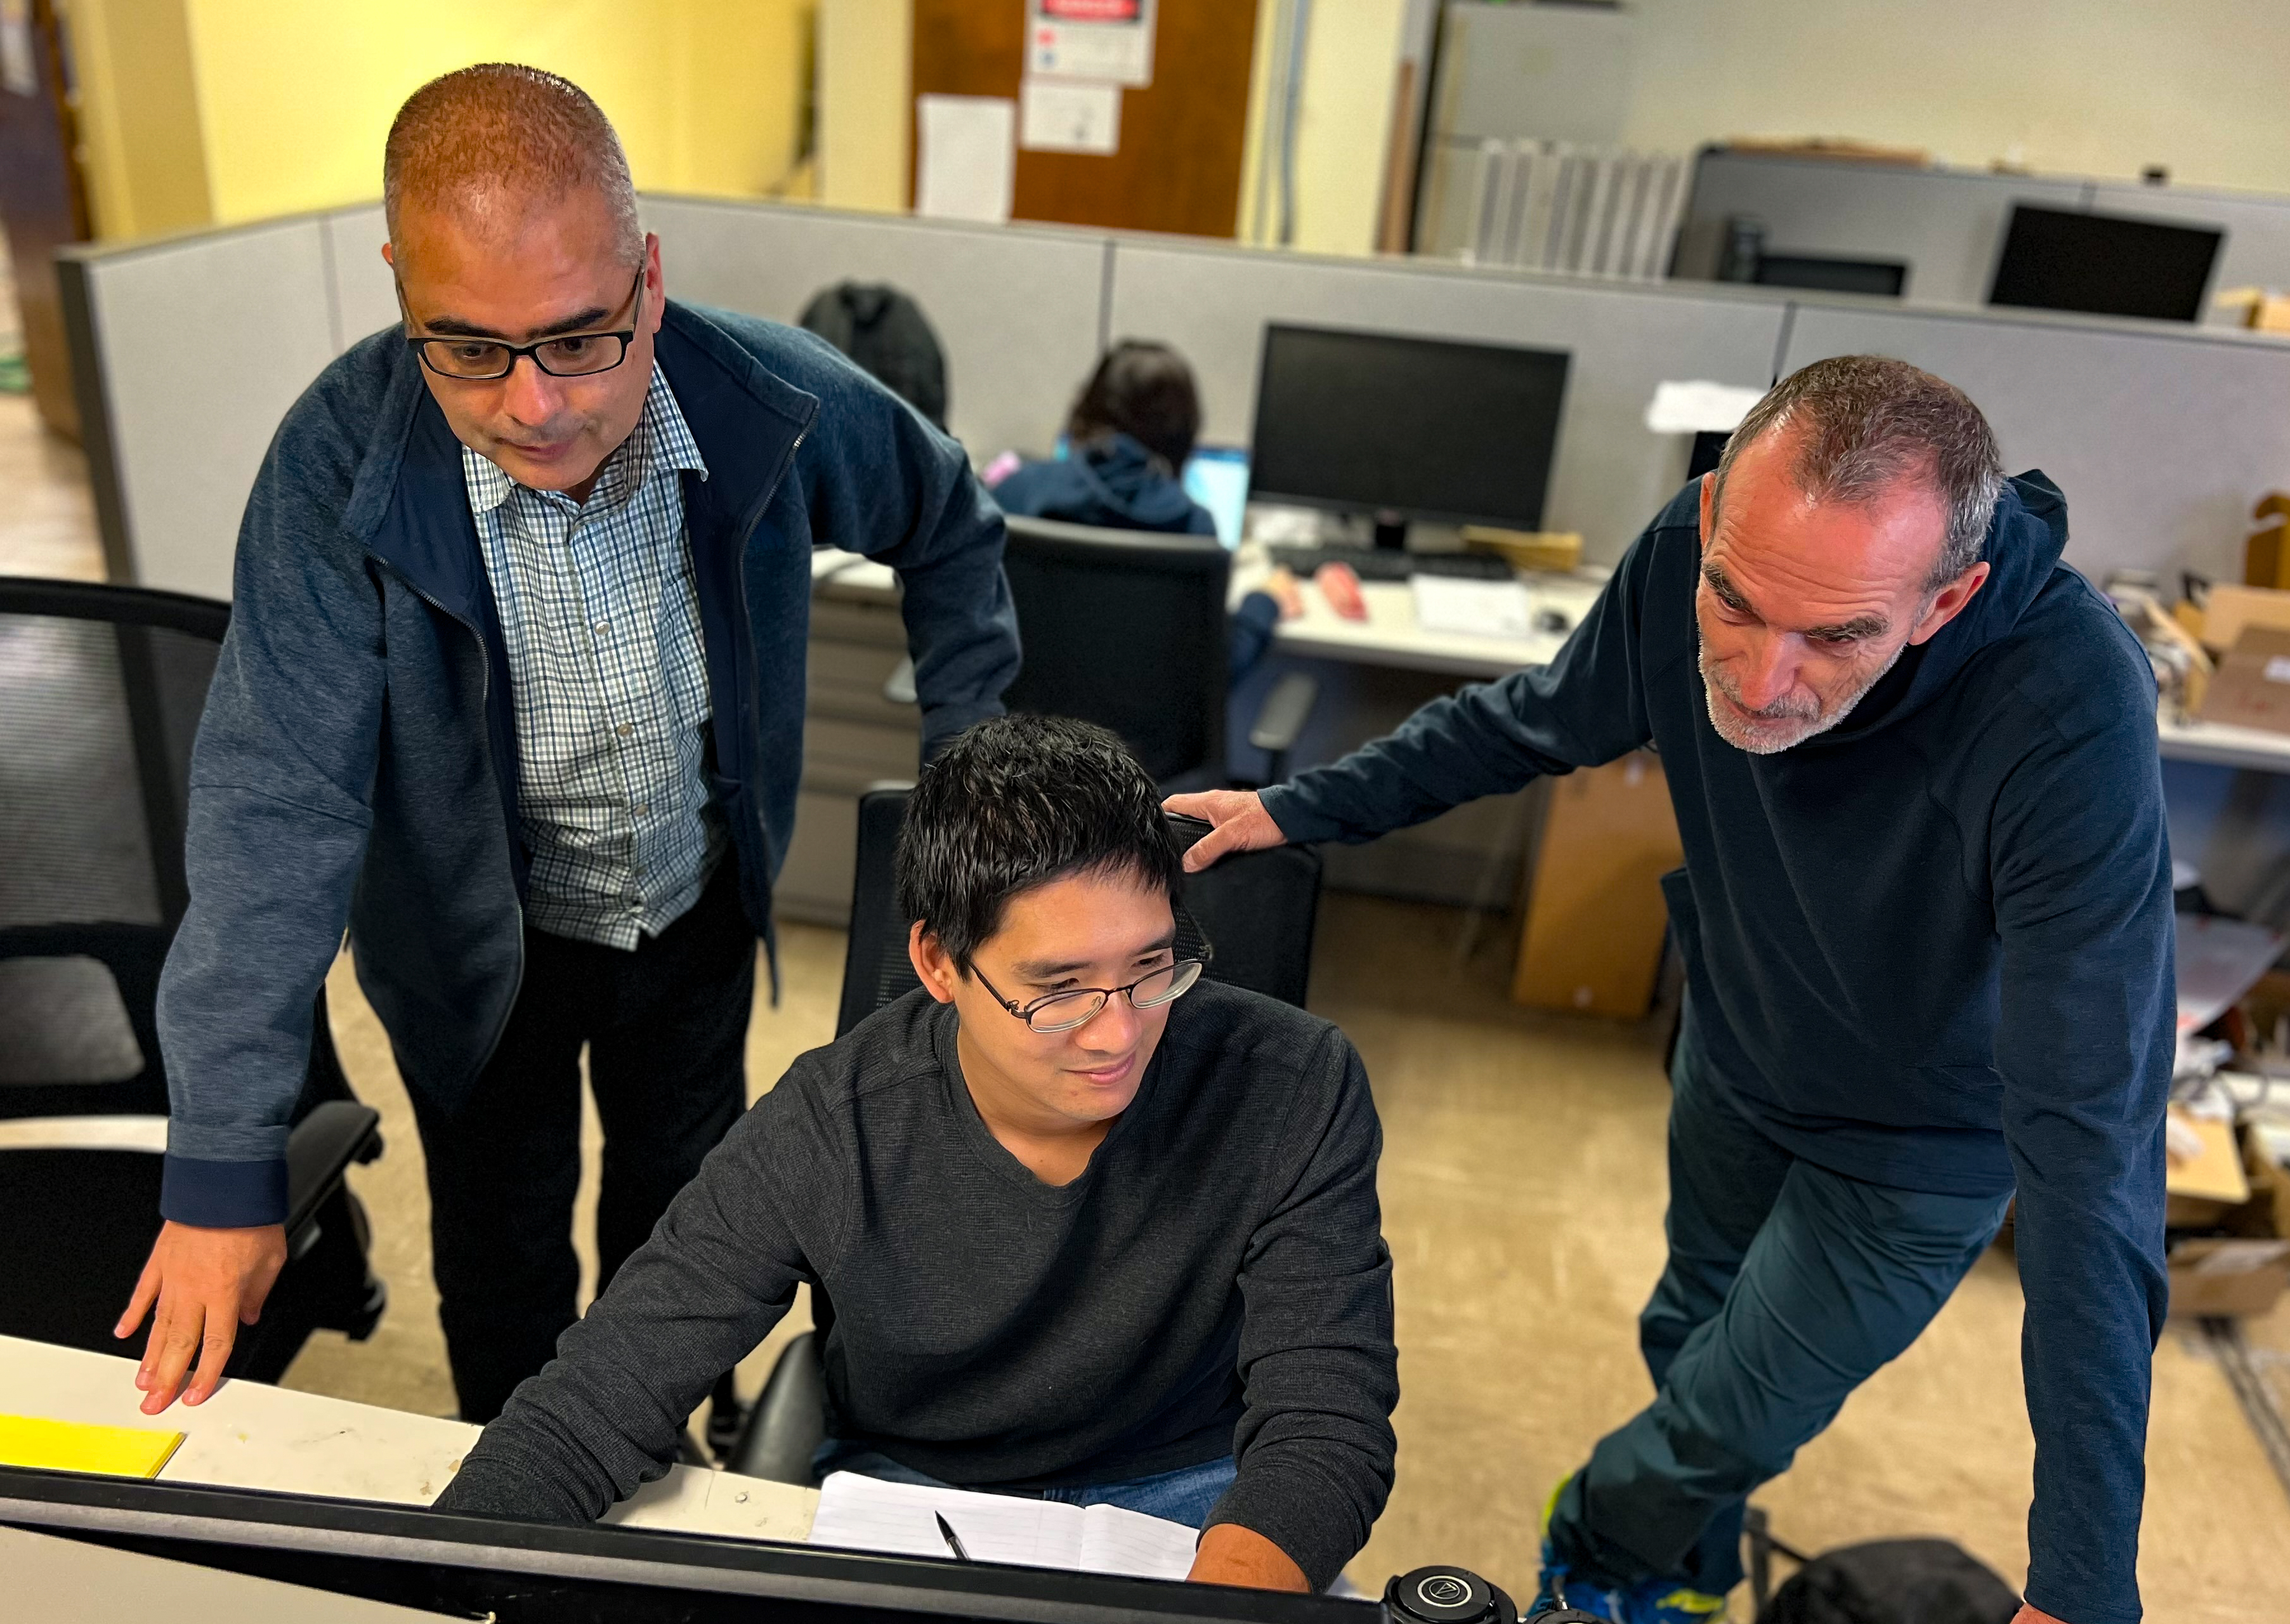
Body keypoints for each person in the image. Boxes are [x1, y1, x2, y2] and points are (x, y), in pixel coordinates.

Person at [1171, 357, 2167, 1624]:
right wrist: (1293, 805)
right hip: (1739, 1039)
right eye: (1735, 603)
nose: (1757, 682)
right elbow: (1533, 719)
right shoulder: (1676, 551)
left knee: (1715, 1424)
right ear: (1707, 520)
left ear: (1945, 597)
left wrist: (2084, 1580)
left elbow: (2095, 1150)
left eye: (1836, 633)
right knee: (1690, 1338)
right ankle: (1677, 1581)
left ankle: (1596, 1542)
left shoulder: (2068, 701)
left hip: (1925, 1134)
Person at [117, 64, 1020, 1426]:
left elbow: (946, 520)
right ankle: (522, 1504)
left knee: (688, 1229)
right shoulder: (336, 465)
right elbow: (272, 810)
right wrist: (223, 1165)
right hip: (474, 959)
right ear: (399, 285)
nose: (534, 404)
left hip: (693, 907)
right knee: (500, 1261)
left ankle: (667, 1447)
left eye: (581, 337)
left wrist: (968, 781)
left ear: (647, 279)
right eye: (468, 345)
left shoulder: (758, 397)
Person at [433, 714, 1398, 1594]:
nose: (1116, 1035)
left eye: (1150, 968)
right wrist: (440, 1575)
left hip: (1199, 1498)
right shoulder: (832, 1119)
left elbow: (1326, 1423)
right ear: (939, 963)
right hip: (915, 1503)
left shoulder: (1292, 1080)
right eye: (1058, 989)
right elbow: (603, 1394)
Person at [987, 339, 1302, 678]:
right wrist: (1263, 604)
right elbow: (1216, 669)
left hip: (1023, 728)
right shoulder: (1193, 528)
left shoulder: (1015, 493)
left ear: (1085, 408)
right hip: (1140, 732)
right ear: (1185, 433)